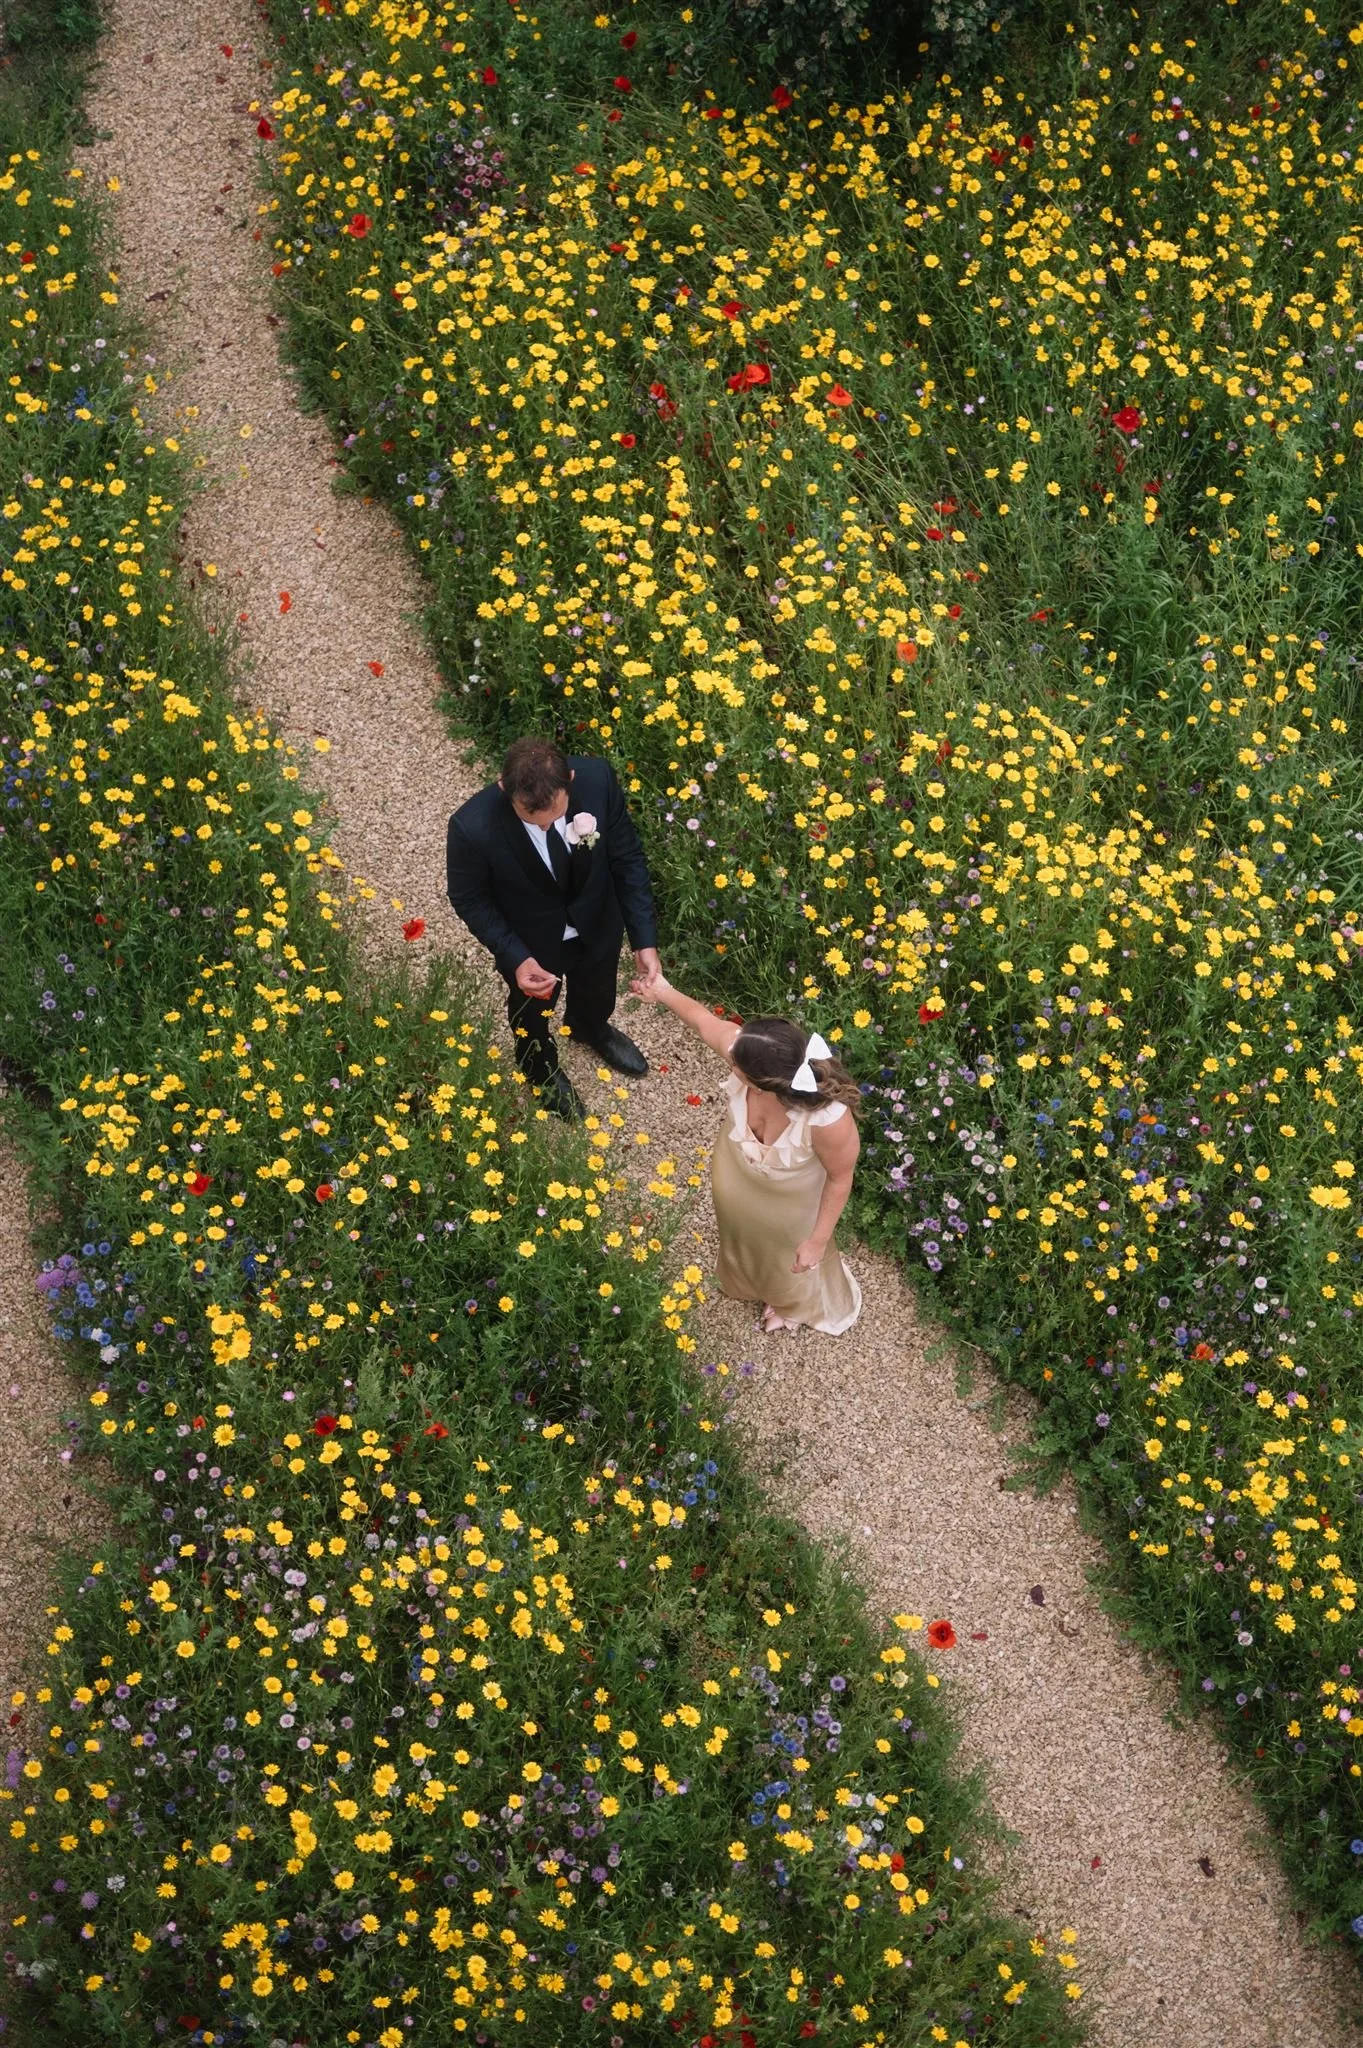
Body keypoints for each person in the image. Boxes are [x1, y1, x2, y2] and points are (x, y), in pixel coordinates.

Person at [630, 971, 862, 1335]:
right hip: (738, 1179)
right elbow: (703, 1021)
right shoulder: (749, 1054)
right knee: (743, 1238)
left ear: (765, 1085)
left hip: (791, 1206)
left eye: (737, 1067)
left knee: (788, 1255)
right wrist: (662, 990)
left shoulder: (828, 1121)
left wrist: (817, 1241)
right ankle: (747, 1282)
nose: (730, 1061)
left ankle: (793, 1304)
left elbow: (840, 1177)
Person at [446, 737, 662, 1119]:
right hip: (530, 942)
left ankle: (589, 1027)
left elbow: (627, 858)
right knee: (532, 1012)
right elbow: (469, 899)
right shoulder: (470, 826)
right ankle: (537, 1062)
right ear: (504, 788)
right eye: (531, 817)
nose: (545, 824)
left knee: (598, 986)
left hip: (598, 920)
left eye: (555, 812)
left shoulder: (598, 781)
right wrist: (515, 957)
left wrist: (644, 939)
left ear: (571, 780)